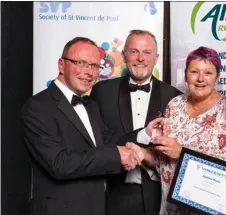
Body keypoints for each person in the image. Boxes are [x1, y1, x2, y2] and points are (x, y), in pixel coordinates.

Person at [21, 37, 141, 215]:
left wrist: (144, 135)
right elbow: (59, 163)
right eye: (81, 63)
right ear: (61, 65)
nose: (89, 72)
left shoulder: (90, 105)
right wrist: (116, 154)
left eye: (94, 66)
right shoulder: (37, 107)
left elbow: (110, 142)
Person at [127, 46, 226, 215]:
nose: (200, 79)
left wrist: (182, 153)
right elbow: (163, 161)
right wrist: (143, 154)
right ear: (185, 75)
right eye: (194, 71)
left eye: (208, 73)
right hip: (169, 208)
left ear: (218, 77)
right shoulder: (174, 105)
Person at [90, 29, 182, 215]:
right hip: (113, 194)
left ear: (156, 58)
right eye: (134, 51)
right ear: (124, 56)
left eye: (147, 52)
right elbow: (97, 145)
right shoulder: (102, 92)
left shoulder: (174, 97)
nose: (140, 58)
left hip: (158, 198)